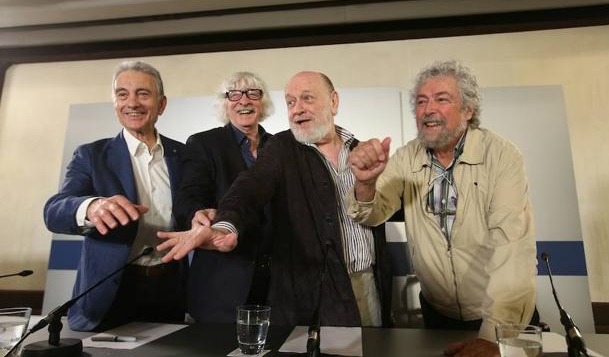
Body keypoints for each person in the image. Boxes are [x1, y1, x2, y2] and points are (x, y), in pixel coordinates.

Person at [158, 71, 392, 327]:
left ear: (334, 102)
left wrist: (368, 182)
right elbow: (247, 190)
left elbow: (378, 212)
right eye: (291, 102)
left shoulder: (361, 151)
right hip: (314, 290)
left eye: (307, 98)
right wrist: (224, 225)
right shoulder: (282, 148)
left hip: (368, 283)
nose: (297, 109)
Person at [347, 60, 536, 357]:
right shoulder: (406, 156)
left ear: (468, 110)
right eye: (421, 101)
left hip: (495, 316)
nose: (428, 109)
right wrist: (366, 183)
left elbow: (511, 248)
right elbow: (372, 214)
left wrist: (494, 335)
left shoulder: (501, 155)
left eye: (441, 99)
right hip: (438, 313)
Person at [44, 61, 186, 331]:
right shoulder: (91, 155)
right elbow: (54, 211)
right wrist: (92, 206)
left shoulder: (186, 155)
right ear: (115, 104)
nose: (132, 102)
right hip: (110, 293)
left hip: (172, 290)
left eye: (143, 94)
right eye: (122, 94)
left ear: (162, 104)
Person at [173, 72, 274, 323]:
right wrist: (197, 213)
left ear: (262, 102)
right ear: (225, 103)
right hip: (222, 282)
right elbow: (187, 197)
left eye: (253, 93)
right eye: (234, 94)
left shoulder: (279, 147)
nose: (244, 101)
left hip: (275, 283)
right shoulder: (204, 143)